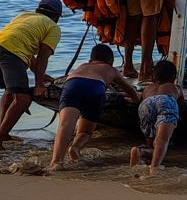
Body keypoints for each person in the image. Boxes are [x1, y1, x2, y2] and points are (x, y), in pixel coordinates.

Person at [46, 44, 141, 172]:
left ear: (91, 60)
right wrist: (136, 98)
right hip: (95, 87)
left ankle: (56, 162)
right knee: (85, 132)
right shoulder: (111, 69)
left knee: (65, 125)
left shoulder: (82, 66)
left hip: (73, 84)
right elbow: (130, 91)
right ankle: (75, 148)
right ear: (111, 62)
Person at [0, 0, 64, 151]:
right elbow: (42, 57)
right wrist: (39, 85)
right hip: (10, 53)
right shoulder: (53, 27)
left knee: (10, 92)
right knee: (22, 99)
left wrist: (38, 73)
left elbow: (26, 50)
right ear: (56, 17)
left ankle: (3, 134)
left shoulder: (24, 16)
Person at [130, 59, 183, 175]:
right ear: (174, 78)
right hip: (165, 101)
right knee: (162, 140)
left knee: (152, 143)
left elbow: (140, 99)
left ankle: (140, 151)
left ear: (153, 77)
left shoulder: (147, 89)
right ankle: (155, 168)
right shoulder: (175, 87)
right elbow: (181, 102)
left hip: (146, 104)